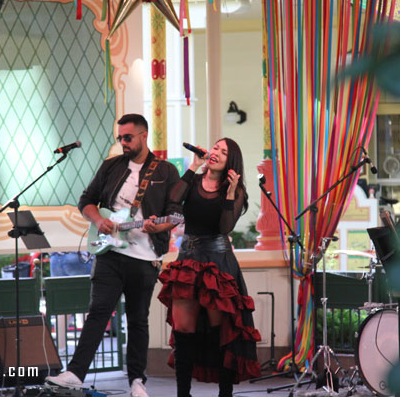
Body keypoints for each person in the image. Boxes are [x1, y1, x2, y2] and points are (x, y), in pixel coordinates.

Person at [46, 114, 181, 397]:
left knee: (137, 320)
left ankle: (137, 381)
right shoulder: (111, 166)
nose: (123, 142)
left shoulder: (166, 171)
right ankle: (75, 374)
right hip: (108, 252)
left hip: (145, 257)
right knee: (97, 313)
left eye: (128, 137)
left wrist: (160, 225)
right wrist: (98, 220)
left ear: (144, 135)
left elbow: (176, 214)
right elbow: (86, 200)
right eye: (120, 137)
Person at [157, 138, 261, 397]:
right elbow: (173, 199)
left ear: (231, 162)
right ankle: (183, 394)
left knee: (220, 331)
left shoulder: (236, 191)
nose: (215, 152)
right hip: (188, 259)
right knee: (183, 329)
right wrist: (193, 167)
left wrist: (229, 193)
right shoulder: (193, 179)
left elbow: (225, 228)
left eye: (223, 152)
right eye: (215, 147)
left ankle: (224, 393)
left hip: (217, 262)